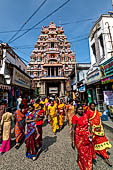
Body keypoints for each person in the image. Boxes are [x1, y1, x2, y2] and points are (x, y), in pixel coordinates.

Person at [87, 102, 112, 166]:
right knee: (96, 141)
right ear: (90, 106)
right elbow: (87, 121)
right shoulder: (88, 112)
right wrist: (89, 129)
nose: (93, 107)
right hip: (93, 129)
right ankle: (103, 154)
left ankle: (104, 155)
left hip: (100, 129)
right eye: (92, 106)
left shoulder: (97, 111)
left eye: (94, 106)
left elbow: (99, 119)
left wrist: (102, 125)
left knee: (102, 140)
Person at [71, 104, 96, 170]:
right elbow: (73, 129)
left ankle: (88, 165)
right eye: (79, 109)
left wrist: (91, 132)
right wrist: (73, 141)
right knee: (82, 153)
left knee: (87, 151)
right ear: (76, 110)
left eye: (81, 109)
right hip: (79, 138)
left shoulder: (85, 115)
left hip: (87, 136)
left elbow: (89, 124)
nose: (81, 111)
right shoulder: (75, 117)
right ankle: (84, 166)